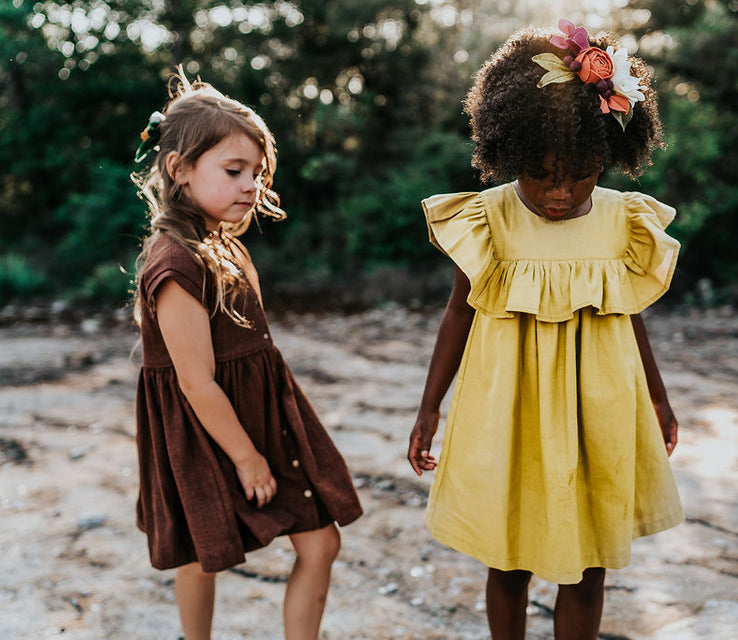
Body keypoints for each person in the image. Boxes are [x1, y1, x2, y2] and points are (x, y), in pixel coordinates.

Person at [407, 20, 684, 639]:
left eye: (582, 171)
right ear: (509, 151)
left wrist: (659, 397)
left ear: (609, 156)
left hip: (599, 411)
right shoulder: (489, 218)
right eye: (541, 173)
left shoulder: (622, 220)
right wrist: (430, 406)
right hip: (510, 410)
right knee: (510, 557)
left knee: (588, 565)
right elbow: (459, 311)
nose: (561, 192)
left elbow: (629, 314)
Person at [131, 68, 362, 640]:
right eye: (233, 171)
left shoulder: (221, 245)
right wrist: (246, 458)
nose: (249, 186)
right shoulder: (174, 263)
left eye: (256, 173)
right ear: (179, 170)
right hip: (210, 432)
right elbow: (196, 382)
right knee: (196, 550)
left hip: (262, 418)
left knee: (321, 541)